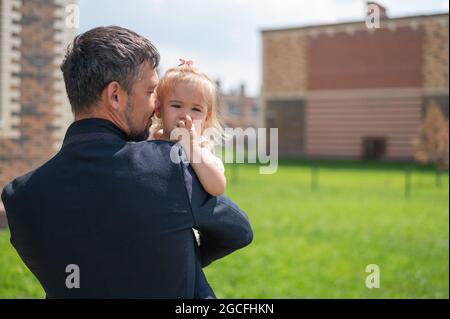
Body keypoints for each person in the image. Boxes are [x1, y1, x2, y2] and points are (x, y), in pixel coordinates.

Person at [1, 26, 253, 298]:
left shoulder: (19, 199)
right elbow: (238, 230)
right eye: (150, 92)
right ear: (116, 95)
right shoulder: (167, 165)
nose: (156, 106)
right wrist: (178, 258)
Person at [151, 60, 227, 197]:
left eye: (196, 109)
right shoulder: (148, 137)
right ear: (158, 109)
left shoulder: (201, 150)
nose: (186, 115)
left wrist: (190, 146)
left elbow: (217, 187)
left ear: (206, 118)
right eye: (176, 105)